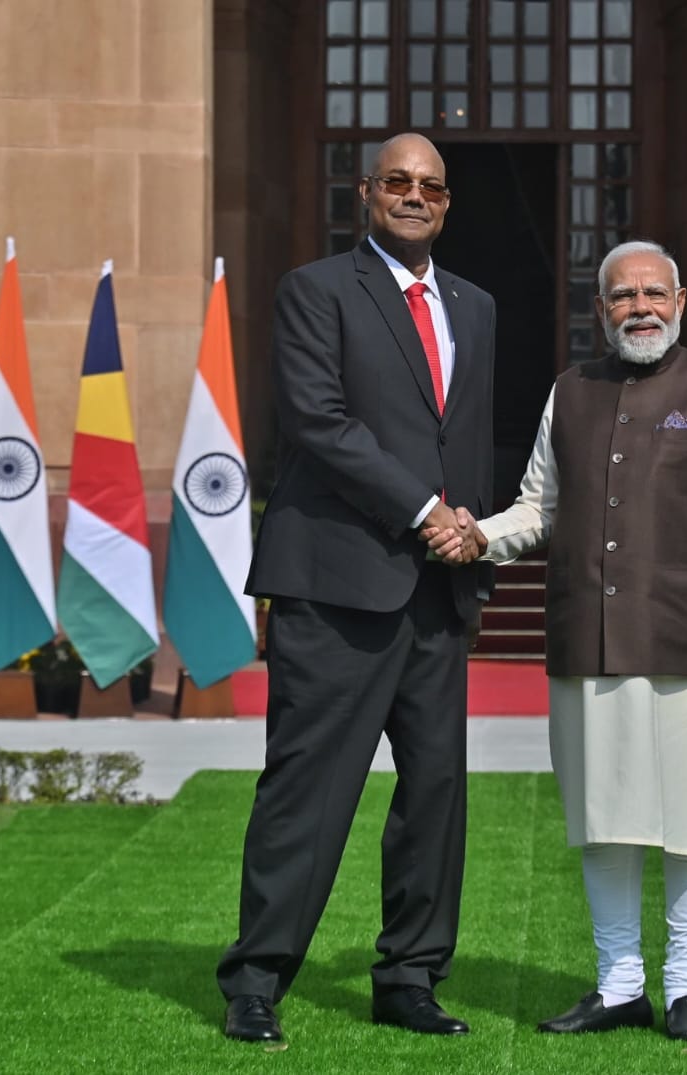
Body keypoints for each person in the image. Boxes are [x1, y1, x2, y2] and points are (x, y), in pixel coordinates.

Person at [428, 239, 687, 1041]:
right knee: (604, 820)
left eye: (654, 294)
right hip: (587, 648)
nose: (641, 308)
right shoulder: (571, 392)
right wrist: (478, 536)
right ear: (600, 310)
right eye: (623, 297)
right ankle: (619, 983)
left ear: (681, 300)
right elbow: (540, 507)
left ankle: (686, 985)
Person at [218, 132, 495, 1044]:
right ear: (366, 192)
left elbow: (466, 441)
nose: (414, 196)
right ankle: (256, 979)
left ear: (447, 203)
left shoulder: (475, 307)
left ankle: (410, 974)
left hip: (436, 592)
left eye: (431, 186)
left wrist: (472, 531)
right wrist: (426, 511)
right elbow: (319, 423)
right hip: (337, 585)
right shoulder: (316, 290)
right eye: (398, 183)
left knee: (434, 792)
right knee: (310, 787)